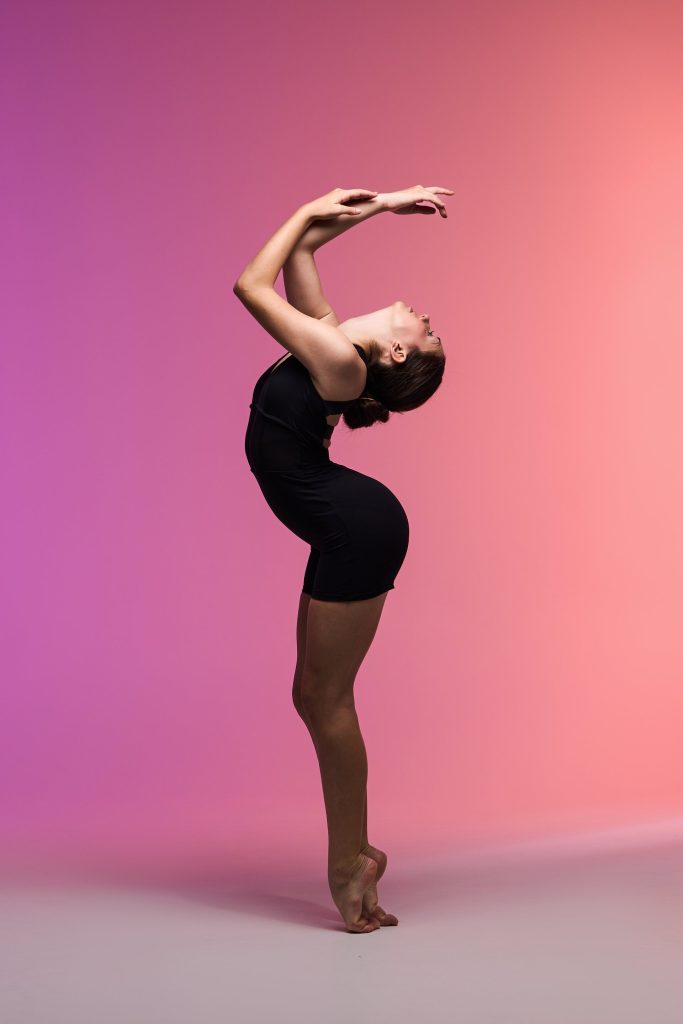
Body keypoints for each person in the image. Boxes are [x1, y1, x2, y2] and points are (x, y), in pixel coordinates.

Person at [234, 185, 453, 933]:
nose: (423, 317)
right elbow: (302, 253)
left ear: (394, 354)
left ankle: (349, 862)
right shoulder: (331, 342)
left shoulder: (340, 364)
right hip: (345, 524)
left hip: (358, 528)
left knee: (325, 701)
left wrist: (306, 206)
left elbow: (248, 285)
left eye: (424, 332)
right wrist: (385, 202)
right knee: (313, 697)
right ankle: (355, 851)